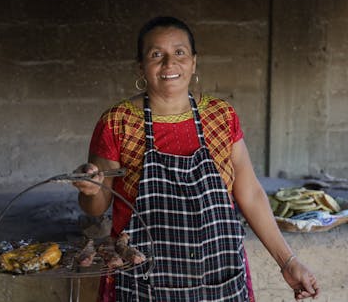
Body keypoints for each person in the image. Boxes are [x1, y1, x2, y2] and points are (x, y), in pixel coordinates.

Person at [74, 16, 320, 301]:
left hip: (220, 279)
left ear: (193, 62)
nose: (169, 64)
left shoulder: (221, 116)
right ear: (141, 66)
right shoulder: (118, 122)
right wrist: (91, 189)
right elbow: (95, 207)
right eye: (156, 55)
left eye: (179, 52)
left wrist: (287, 262)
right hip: (143, 284)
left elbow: (250, 194)